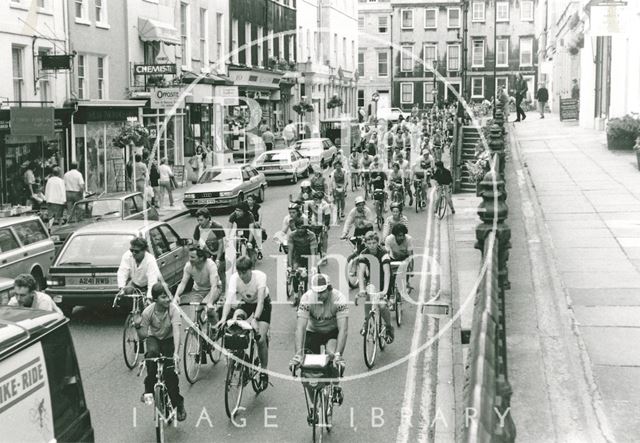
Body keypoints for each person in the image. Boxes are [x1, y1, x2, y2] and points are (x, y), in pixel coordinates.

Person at [290, 273, 348, 417]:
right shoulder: (307, 298)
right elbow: (300, 328)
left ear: (329, 289)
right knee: (307, 369)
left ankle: (335, 386)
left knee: (331, 354)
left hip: (332, 332)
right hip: (313, 331)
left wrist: (338, 355)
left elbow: (343, 330)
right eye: (317, 292)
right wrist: (298, 355)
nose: (319, 295)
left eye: (322, 292)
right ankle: (313, 405)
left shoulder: (339, 299)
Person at [135, 282, 186, 422]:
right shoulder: (148, 312)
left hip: (169, 340)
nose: (168, 300)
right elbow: (143, 336)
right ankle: (149, 391)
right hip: (154, 339)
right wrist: (137, 326)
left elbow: (176, 332)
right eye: (164, 297)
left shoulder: (173, 310)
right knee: (151, 358)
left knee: (170, 375)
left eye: (168, 296)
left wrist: (176, 352)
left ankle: (178, 404)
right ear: (155, 299)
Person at [217, 256, 271, 385]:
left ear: (251, 270)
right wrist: (224, 319)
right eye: (239, 272)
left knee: (260, 338)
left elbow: (261, 302)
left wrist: (255, 319)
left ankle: (264, 371)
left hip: (262, 305)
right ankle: (241, 356)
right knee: (235, 323)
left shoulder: (260, 277)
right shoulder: (235, 278)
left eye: (244, 273)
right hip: (246, 303)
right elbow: (228, 301)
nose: (242, 276)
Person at [357, 231, 394, 343]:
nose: (372, 245)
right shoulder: (363, 253)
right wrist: (361, 289)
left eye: (374, 242)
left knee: (382, 306)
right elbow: (361, 272)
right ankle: (366, 321)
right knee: (368, 297)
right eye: (369, 243)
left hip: (385, 281)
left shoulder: (383, 253)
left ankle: (388, 327)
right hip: (373, 280)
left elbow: (387, 272)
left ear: (377, 243)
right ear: (366, 244)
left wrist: (385, 291)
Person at [174, 247, 221, 321]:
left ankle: (215, 327)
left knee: (207, 308)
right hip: (198, 290)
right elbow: (183, 283)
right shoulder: (188, 266)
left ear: (201, 258)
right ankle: (195, 329)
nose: (190, 259)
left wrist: (210, 302)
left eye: (192, 257)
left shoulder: (210, 265)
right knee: (194, 314)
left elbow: (214, 286)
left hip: (213, 289)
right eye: (189, 256)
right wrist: (176, 295)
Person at [245, 195, 264, 259]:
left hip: (255, 224)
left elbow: (260, 216)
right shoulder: (245, 207)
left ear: (254, 201)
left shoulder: (258, 207)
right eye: (248, 200)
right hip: (247, 224)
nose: (249, 201)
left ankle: (259, 250)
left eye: (250, 200)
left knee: (258, 234)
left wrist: (258, 222)